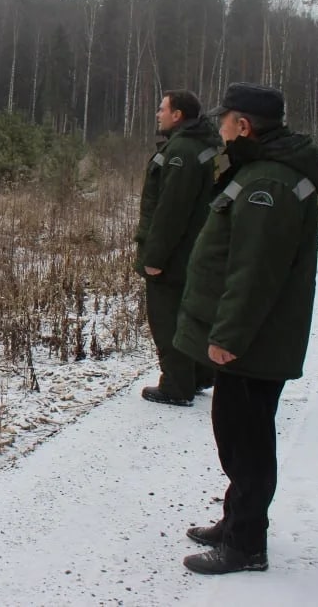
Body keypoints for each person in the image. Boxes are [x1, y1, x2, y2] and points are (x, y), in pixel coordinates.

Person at [173, 83, 318, 575]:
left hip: (253, 344)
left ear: (243, 125)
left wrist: (228, 338)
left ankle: (245, 546)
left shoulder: (270, 185)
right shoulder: (262, 172)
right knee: (239, 435)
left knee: (247, 443)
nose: (219, 129)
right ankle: (236, 521)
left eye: (225, 121)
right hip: (254, 340)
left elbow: (254, 271)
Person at [134, 89, 222, 406]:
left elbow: (171, 211)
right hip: (195, 250)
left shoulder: (181, 151)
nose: (158, 113)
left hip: (175, 256)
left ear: (178, 115)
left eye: (162, 109)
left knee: (167, 319)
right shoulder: (202, 145)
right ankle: (198, 375)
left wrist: (155, 257)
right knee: (192, 314)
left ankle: (177, 384)